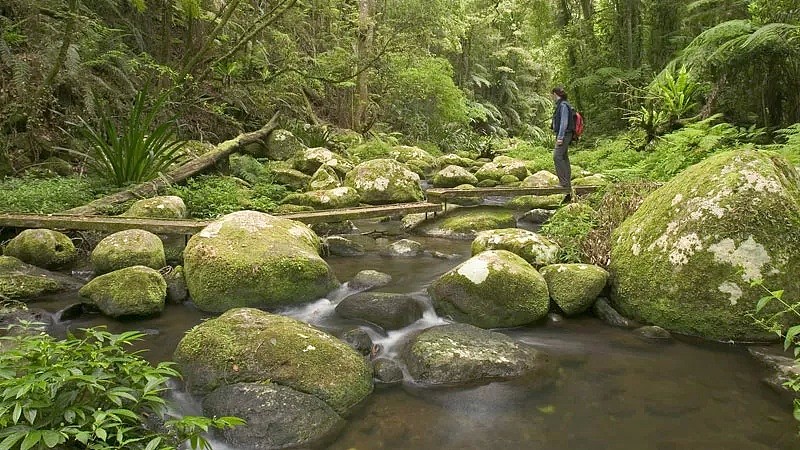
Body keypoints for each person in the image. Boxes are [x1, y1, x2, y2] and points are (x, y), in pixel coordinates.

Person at [551, 86, 574, 203]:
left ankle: (564, 183)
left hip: (564, 135)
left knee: (557, 156)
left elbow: (564, 122)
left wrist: (560, 137)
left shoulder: (563, 105)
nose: (552, 97)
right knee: (564, 157)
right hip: (566, 135)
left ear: (555, 94)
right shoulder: (563, 104)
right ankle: (567, 183)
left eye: (552, 95)